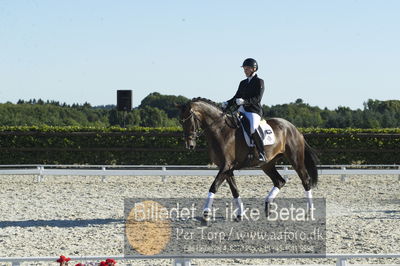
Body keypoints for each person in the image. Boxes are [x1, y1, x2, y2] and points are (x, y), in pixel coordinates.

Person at [222, 58, 266, 161]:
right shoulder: (243, 83)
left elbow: (257, 98)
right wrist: (227, 103)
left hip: (253, 111)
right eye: (244, 69)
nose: (245, 71)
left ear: (254, 69)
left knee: (252, 128)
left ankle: (261, 153)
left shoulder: (259, 82)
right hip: (241, 110)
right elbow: (236, 97)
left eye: (247, 69)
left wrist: (244, 102)